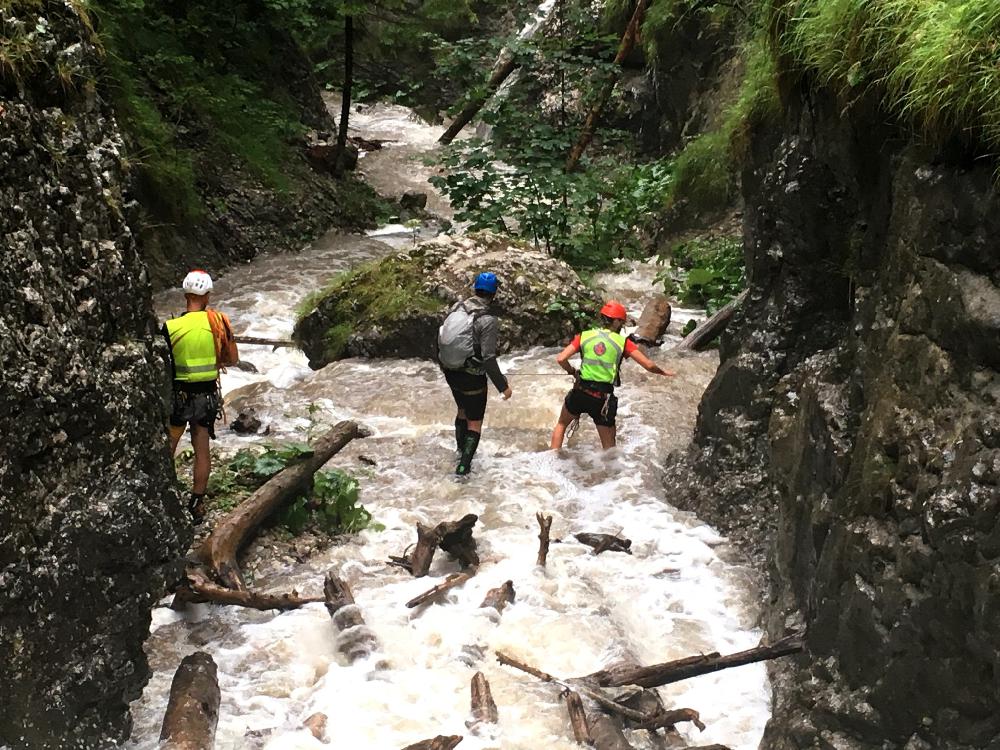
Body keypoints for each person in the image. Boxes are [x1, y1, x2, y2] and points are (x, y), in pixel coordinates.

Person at [163, 270, 238, 522]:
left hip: (180, 396)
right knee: (202, 449)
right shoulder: (219, 323)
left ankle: (162, 495)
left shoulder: (171, 327)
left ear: (186, 295)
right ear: (207, 295)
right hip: (206, 397)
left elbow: (165, 365)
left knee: (169, 446)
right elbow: (233, 359)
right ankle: (196, 504)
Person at [550, 300, 674, 450]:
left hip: (580, 391)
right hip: (602, 398)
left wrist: (571, 371)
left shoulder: (584, 336)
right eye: (621, 322)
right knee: (609, 448)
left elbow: (561, 359)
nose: (622, 325)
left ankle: (553, 458)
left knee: (562, 424)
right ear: (615, 322)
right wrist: (664, 372)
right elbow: (649, 365)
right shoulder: (622, 342)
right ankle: (610, 466)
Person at [437, 271, 513, 476]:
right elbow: (488, 358)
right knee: (475, 421)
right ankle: (463, 468)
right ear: (494, 294)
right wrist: (503, 387)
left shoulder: (457, 307)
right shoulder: (487, 320)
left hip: (450, 370)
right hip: (472, 376)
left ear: (475, 288)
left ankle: (460, 452)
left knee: (462, 410)